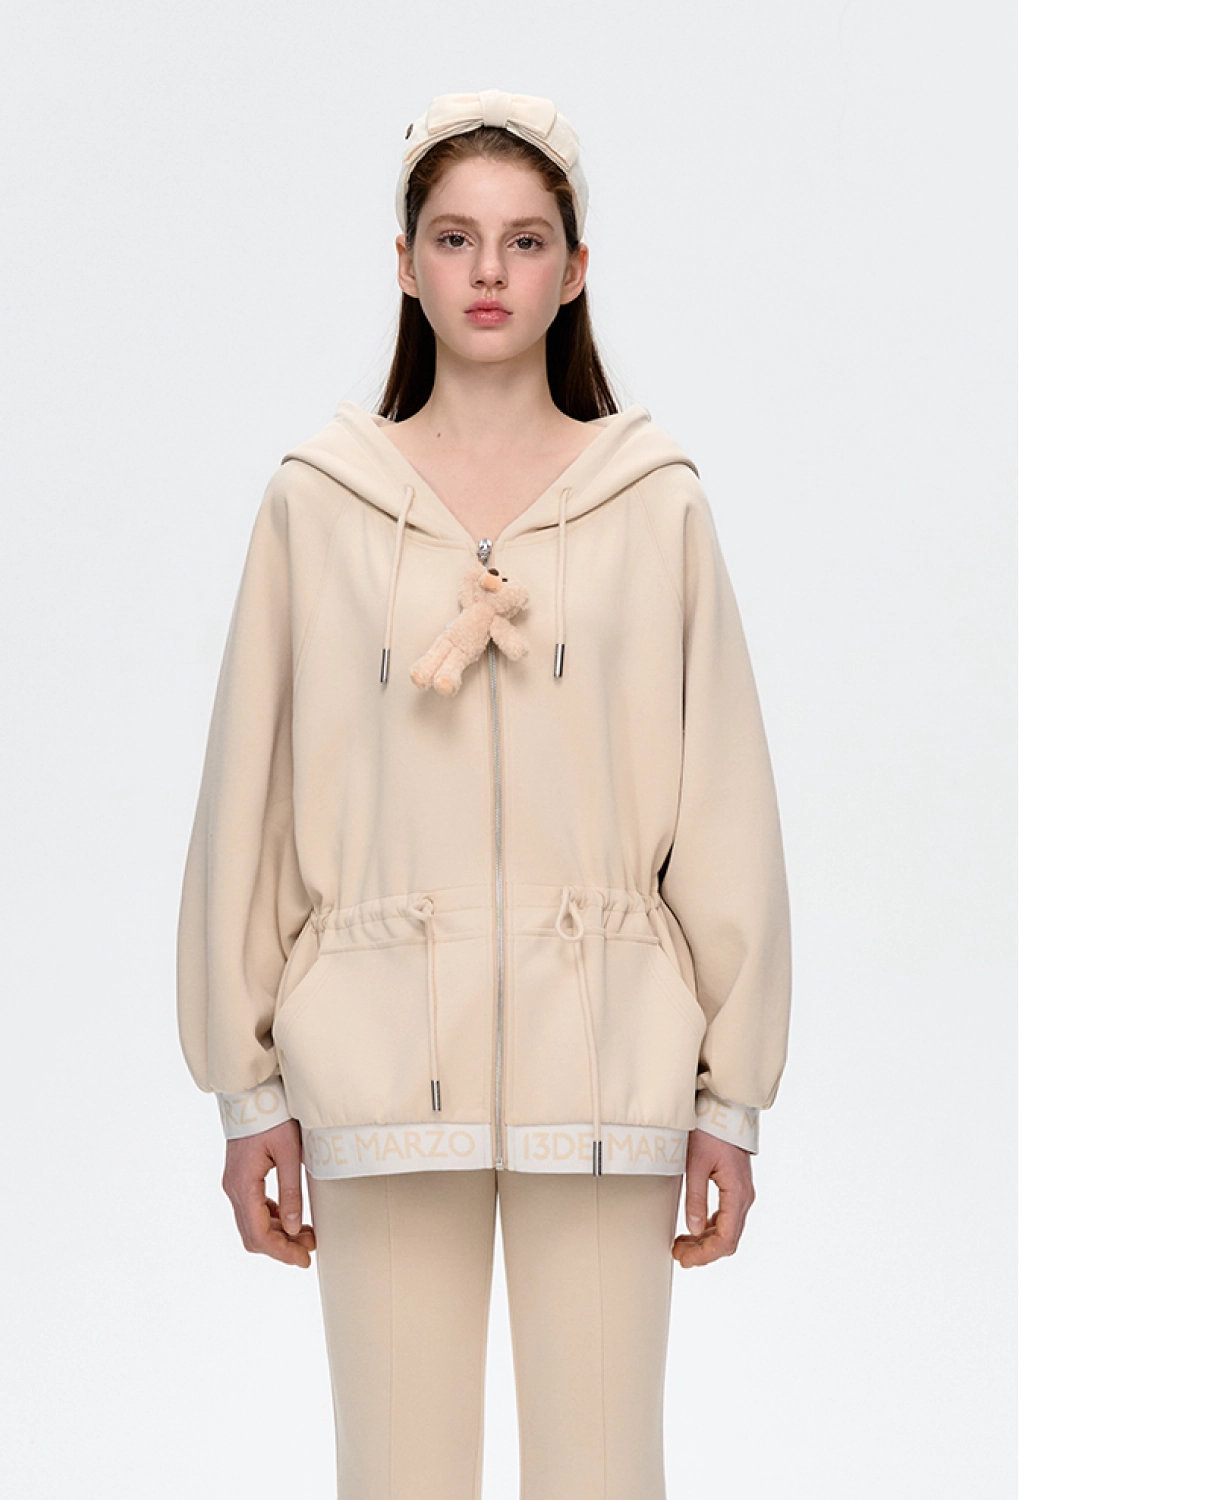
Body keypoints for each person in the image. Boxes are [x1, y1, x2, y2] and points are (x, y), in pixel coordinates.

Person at [176, 89, 792, 1500]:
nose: (490, 271)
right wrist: (245, 1089)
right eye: (455, 238)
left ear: (576, 269)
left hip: (612, 1059)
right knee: (395, 1478)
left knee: (604, 1478)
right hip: (374, 1054)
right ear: (405, 264)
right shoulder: (319, 501)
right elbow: (246, 803)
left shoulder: (656, 502)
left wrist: (731, 1099)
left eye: (525, 240)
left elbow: (726, 806)